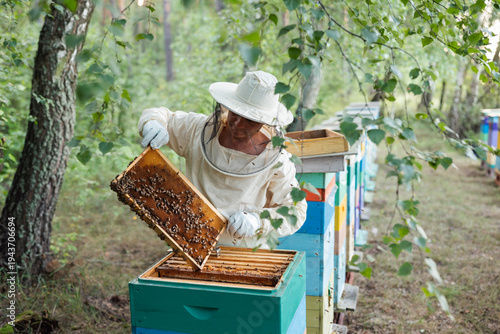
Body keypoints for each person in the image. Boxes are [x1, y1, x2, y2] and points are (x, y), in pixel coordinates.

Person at [138, 70, 307, 249]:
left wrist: (258, 221)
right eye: (235, 113)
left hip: (244, 252)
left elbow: (295, 212)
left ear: (265, 122)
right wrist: (152, 123)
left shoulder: (278, 159)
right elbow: (160, 115)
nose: (238, 124)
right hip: (190, 245)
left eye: (249, 120)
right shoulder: (198, 130)